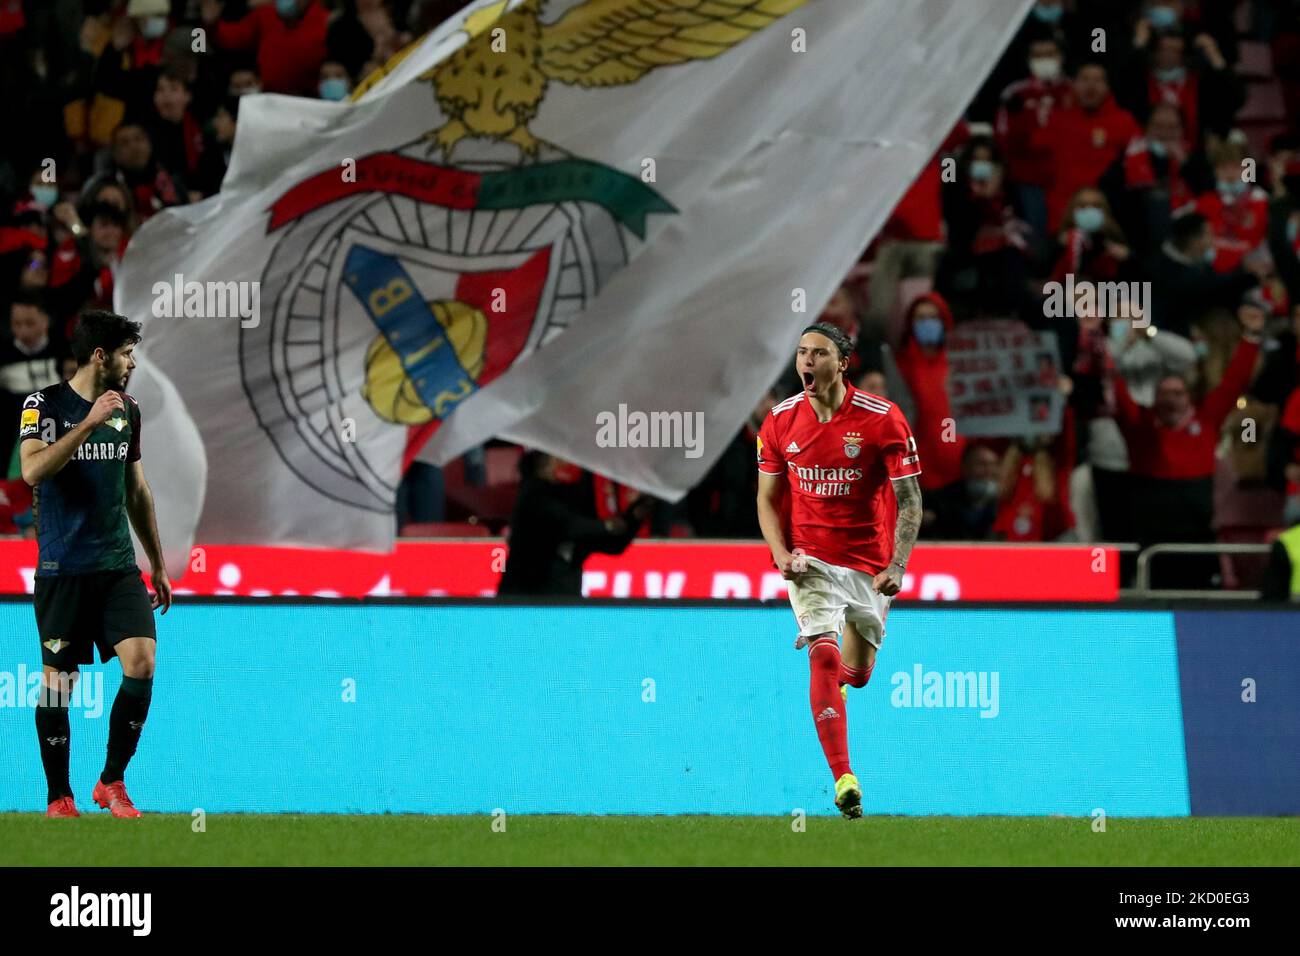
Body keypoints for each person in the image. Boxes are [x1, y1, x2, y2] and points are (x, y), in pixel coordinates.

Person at [755, 322, 922, 819]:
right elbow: (766, 500)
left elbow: (910, 501)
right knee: (822, 659)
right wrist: (782, 555)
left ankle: (845, 680)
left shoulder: (883, 419)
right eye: (801, 352)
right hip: (810, 561)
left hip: (869, 566)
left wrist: (898, 564)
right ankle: (844, 778)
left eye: (819, 353)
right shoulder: (780, 421)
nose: (807, 361)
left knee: (860, 675)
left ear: (842, 363)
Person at [19, 310, 172, 818]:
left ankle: (111, 781)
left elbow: (137, 490)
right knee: (60, 683)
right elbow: (33, 470)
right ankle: (58, 795)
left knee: (143, 662)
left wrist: (158, 563)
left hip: (117, 568)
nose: (132, 363)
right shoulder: (42, 404)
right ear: (101, 356)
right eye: (127, 353)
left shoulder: (128, 410)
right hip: (63, 571)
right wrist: (87, 424)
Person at [497, 452, 651, 596]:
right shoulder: (533, 499)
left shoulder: (573, 503)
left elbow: (613, 545)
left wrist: (635, 515)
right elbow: (568, 526)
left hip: (565, 601)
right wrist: (608, 526)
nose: (562, 463)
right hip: (524, 598)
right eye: (554, 459)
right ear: (541, 467)